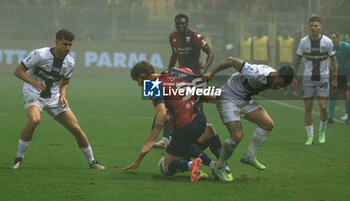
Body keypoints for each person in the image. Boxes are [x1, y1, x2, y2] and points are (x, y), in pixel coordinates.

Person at [10, 29, 105, 170]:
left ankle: (92, 162)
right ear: (56, 42)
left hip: (54, 98)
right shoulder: (39, 54)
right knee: (34, 120)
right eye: (65, 44)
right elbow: (18, 71)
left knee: (76, 129)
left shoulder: (69, 62)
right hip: (34, 93)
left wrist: (63, 96)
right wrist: (33, 82)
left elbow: (65, 83)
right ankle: (18, 158)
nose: (68, 48)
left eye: (70, 45)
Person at [123, 61, 221, 182]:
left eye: (137, 80)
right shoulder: (173, 72)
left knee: (165, 167)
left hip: (184, 127)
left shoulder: (152, 86)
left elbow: (161, 114)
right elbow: (190, 74)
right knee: (200, 135)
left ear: (142, 76)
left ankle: (193, 165)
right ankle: (220, 166)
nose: (139, 85)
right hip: (199, 120)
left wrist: (151, 141)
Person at [202, 56, 294, 181]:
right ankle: (220, 167)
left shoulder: (273, 78)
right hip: (229, 98)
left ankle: (249, 155)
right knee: (237, 136)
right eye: (278, 84)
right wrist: (211, 73)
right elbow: (231, 60)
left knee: (268, 124)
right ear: (276, 74)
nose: (276, 88)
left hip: (244, 100)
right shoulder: (255, 73)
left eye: (280, 87)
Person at [154, 13, 214, 149]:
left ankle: (203, 135)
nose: (180, 26)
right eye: (178, 24)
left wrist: (205, 71)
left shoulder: (195, 36)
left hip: (195, 76)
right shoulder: (173, 37)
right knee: (171, 104)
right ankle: (165, 139)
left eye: (183, 24)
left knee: (197, 106)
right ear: (175, 24)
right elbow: (174, 54)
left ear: (187, 24)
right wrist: (168, 71)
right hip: (181, 76)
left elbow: (211, 53)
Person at [292, 16, 337, 145]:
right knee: (308, 107)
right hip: (308, 78)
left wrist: (335, 77)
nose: (314, 28)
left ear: (320, 27)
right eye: (311, 26)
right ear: (309, 27)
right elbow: (297, 60)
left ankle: (322, 131)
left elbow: (333, 60)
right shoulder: (303, 42)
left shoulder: (327, 42)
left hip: (323, 77)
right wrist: (294, 75)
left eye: (316, 26)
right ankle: (310, 137)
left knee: (323, 107)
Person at [327, 32, 350, 125]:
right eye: (330, 39)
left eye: (333, 38)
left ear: (337, 39)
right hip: (338, 73)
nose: (332, 40)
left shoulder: (347, 47)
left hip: (348, 72)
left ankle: (348, 117)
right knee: (334, 92)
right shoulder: (329, 49)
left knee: (347, 94)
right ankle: (330, 117)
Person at [276, 28, 298, 96]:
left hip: (290, 61)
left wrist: (294, 60)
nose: (285, 32)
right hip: (282, 61)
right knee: (283, 77)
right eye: (283, 31)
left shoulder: (292, 40)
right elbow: (277, 51)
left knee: (292, 76)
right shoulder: (279, 40)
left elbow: (294, 51)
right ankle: (285, 90)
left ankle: (294, 90)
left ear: (288, 32)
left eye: (286, 31)